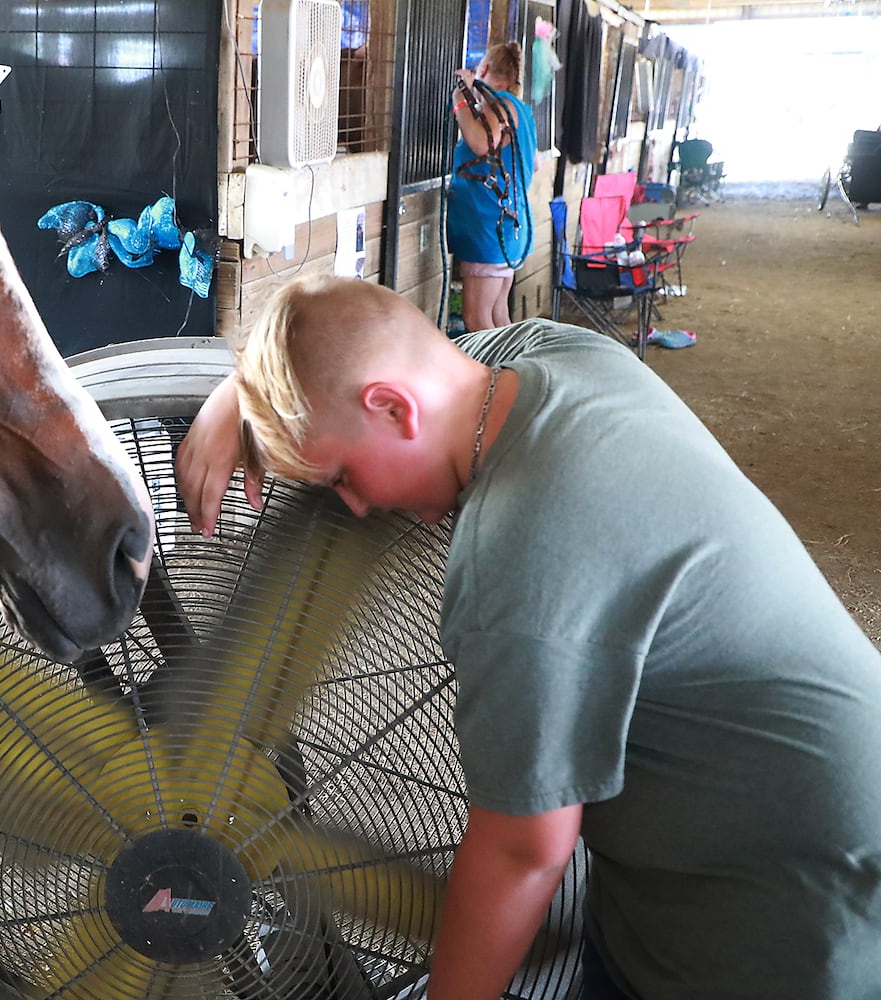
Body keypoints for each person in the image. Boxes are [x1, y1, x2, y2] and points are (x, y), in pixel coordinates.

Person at [175, 273, 881, 999]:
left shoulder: (516, 560)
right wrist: (245, 389)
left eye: (343, 476)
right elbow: (378, 349)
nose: (354, 505)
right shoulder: (556, 352)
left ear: (392, 407)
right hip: (766, 824)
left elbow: (522, 852)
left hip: (786, 915)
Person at [447, 43, 537, 333]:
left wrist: (461, 98)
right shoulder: (521, 110)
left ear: (484, 69)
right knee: (499, 319)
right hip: (507, 228)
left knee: (477, 320)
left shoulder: (500, 105)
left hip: (488, 229)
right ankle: (514, 374)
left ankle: (493, 379)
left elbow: (480, 142)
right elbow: (533, 164)